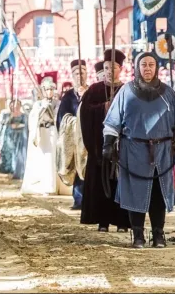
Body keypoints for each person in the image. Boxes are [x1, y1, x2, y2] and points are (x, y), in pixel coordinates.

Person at [103, 52, 175, 248]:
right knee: (135, 192)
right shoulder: (126, 91)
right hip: (134, 150)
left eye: (151, 64)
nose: (147, 68)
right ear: (137, 68)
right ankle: (138, 235)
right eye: (144, 65)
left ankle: (158, 234)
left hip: (162, 151)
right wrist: (108, 144)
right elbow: (113, 122)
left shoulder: (168, 93)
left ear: (157, 68)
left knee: (158, 194)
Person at [79, 49, 131, 232]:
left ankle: (123, 222)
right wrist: (103, 107)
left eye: (114, 67)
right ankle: (102, 221)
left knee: (121, 184)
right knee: (102, 185)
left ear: (121, 69)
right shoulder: (94, 90)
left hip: (122, 147)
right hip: (99, 146)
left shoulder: (127, 90)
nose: (110, 71)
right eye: (107, 67)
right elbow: (85, 114)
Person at [57, 59, 88, 210]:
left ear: (87, 73)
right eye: (76, 72)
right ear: (72, 75)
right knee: (77, 169)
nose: (79, 75)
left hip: (89, 138)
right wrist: (75, 122)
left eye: (82, 72)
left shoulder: (92, 91)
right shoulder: (68, 96)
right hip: (74, 139)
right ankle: (79, 199)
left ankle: (92, 201)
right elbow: (62, 117)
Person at [21, 75, 60, 195]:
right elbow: (32, 118)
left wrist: (52, 111)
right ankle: (43, 185)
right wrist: (41, 110)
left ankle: (53, 186)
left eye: (51, 89)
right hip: (42, 134)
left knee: (53, 159)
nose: (49, 92)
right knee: (43, 159)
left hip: (53, 132)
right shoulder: (38, 104)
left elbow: (58, 117)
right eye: (47, 89)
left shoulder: (58, 103)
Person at [0, 99, 28, 179]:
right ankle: (10, 170)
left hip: (20, 136)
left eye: (18, 105)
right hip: (10, 136)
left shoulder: (24, 115)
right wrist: (11, 116)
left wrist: (19, 125)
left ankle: (17, 170)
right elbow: (4, 123)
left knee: (19, 154)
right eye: (14, 105)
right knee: (11, 153)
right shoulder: (7, 114)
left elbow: (26, 124)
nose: (16, 106)